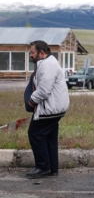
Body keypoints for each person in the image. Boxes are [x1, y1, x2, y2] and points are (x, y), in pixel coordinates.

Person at [25, 40, 70, 179]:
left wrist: (31, 102)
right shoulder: (48, 63)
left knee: (35, 134)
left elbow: (44, 90)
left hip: (50, 109)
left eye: (32, 52)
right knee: (49, 137)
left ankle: (43, 167)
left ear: (42, 53)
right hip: (54, 108)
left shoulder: (48, 65)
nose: (30, 55)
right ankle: (52, 168)